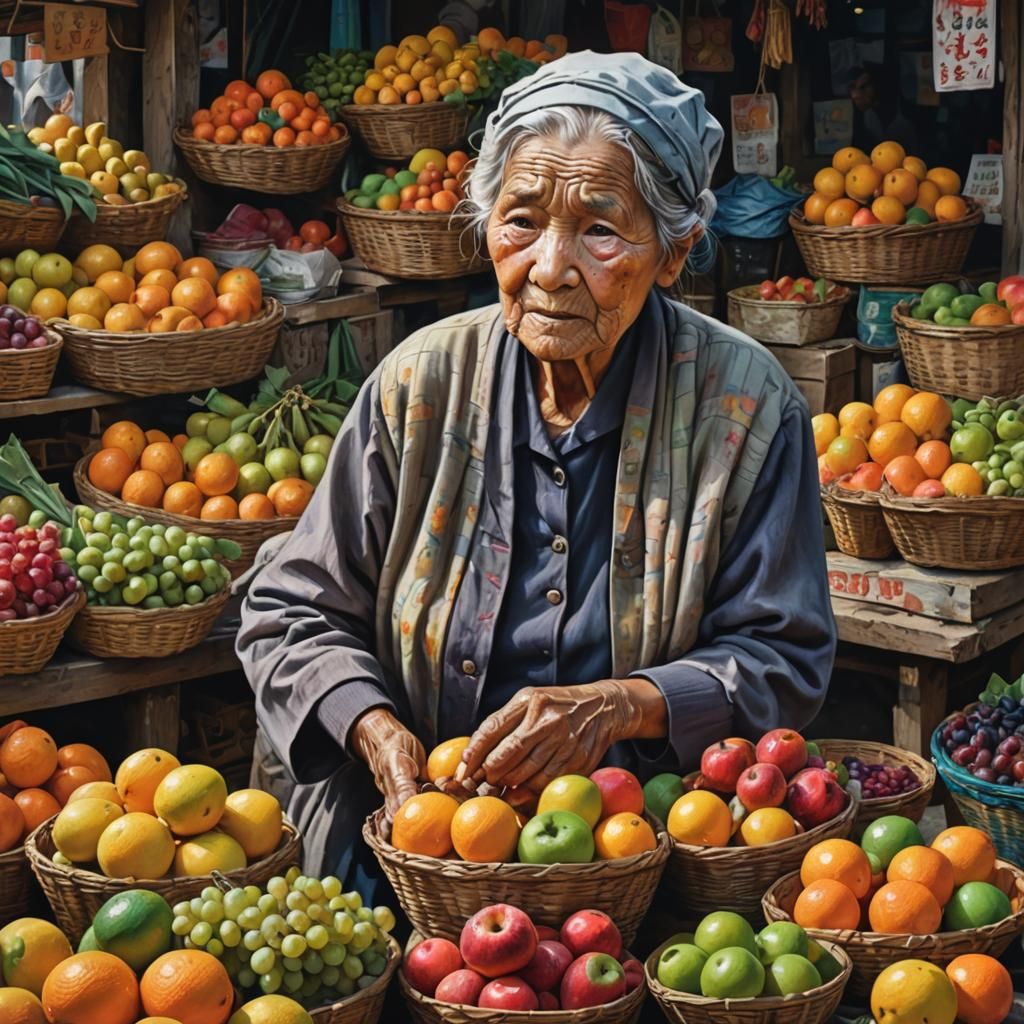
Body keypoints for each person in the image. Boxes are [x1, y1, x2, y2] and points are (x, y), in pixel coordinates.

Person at [237, 50, 836, 887]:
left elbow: (785, 655)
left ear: (674, 252)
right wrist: (372, 724)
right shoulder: (421, 384)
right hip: (416, 848)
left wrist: (619, 703)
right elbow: (290, 609)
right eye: (520, 220)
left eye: (598, 230)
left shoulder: (746, 408)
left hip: (644, 857)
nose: (549, 268)